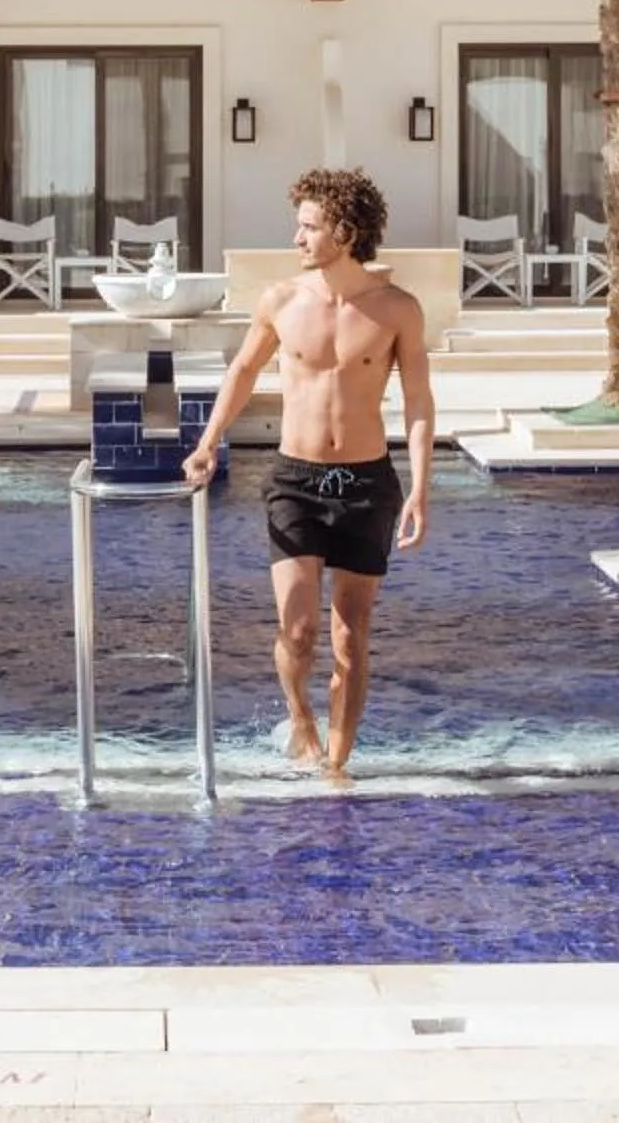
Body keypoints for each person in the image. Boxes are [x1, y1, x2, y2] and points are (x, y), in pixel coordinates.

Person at [183, 166, 433, 779]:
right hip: (296, 481)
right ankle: (301, 720)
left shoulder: (398, 310)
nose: (297, 238)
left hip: (367, 484)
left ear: (345, 232)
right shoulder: (281, 301)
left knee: (350, 636)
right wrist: (208, 443)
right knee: (297, 632)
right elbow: (243, 371)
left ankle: (337, 766)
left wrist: (421, 489)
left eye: (309, 227)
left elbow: (419, 402)